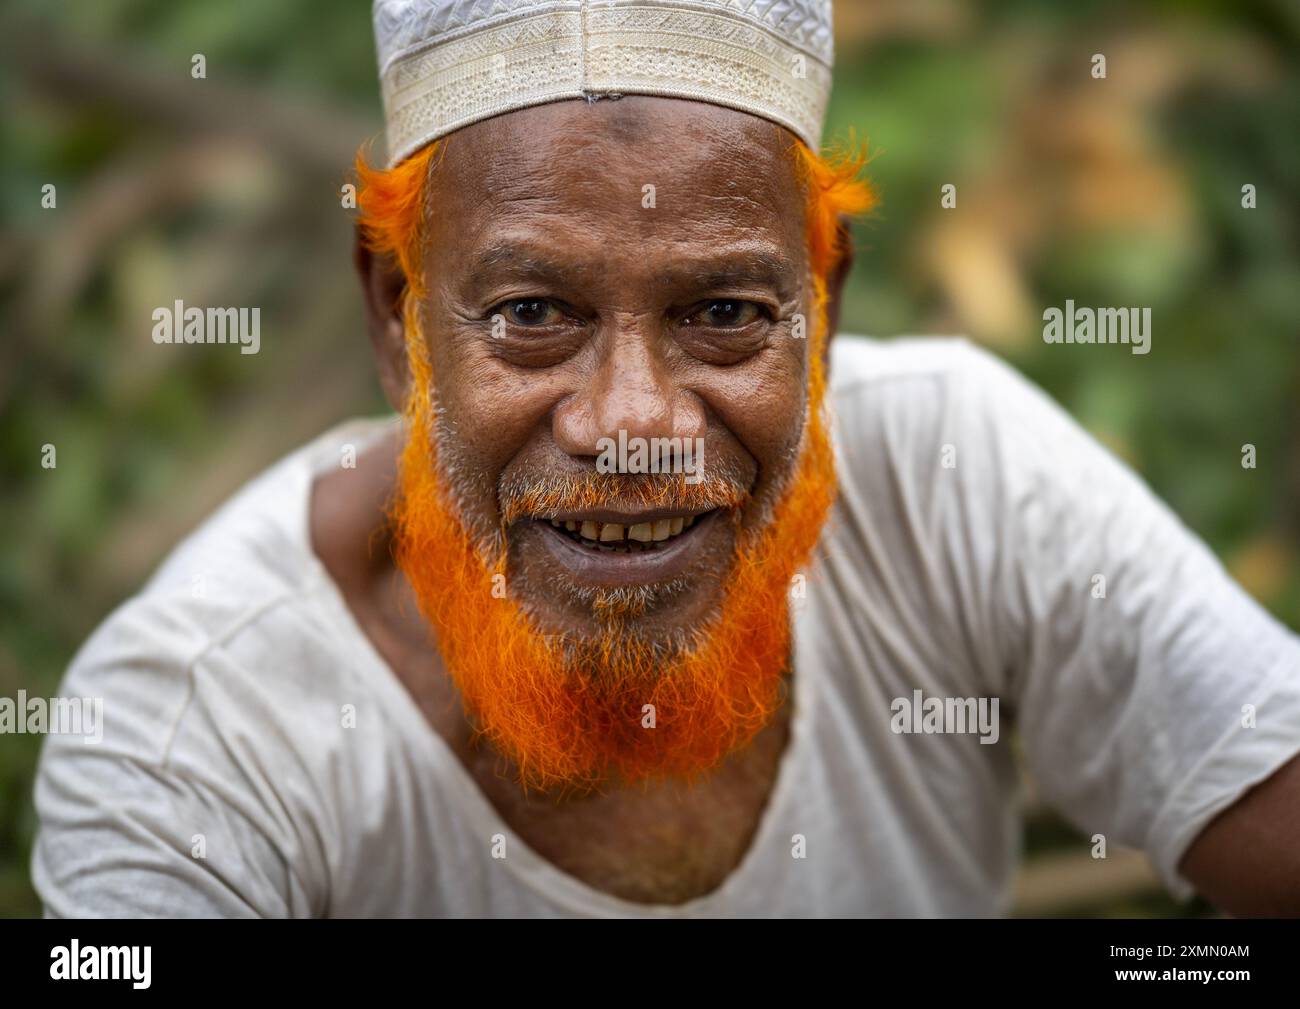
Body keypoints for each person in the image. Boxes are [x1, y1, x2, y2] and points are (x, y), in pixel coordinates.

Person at [31, 0, 1300, 917]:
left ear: (825, 313)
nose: (631, 421)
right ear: (397, 318)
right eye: (532, 315)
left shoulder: (953, 471)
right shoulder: (187, 744)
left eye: (724, 315)